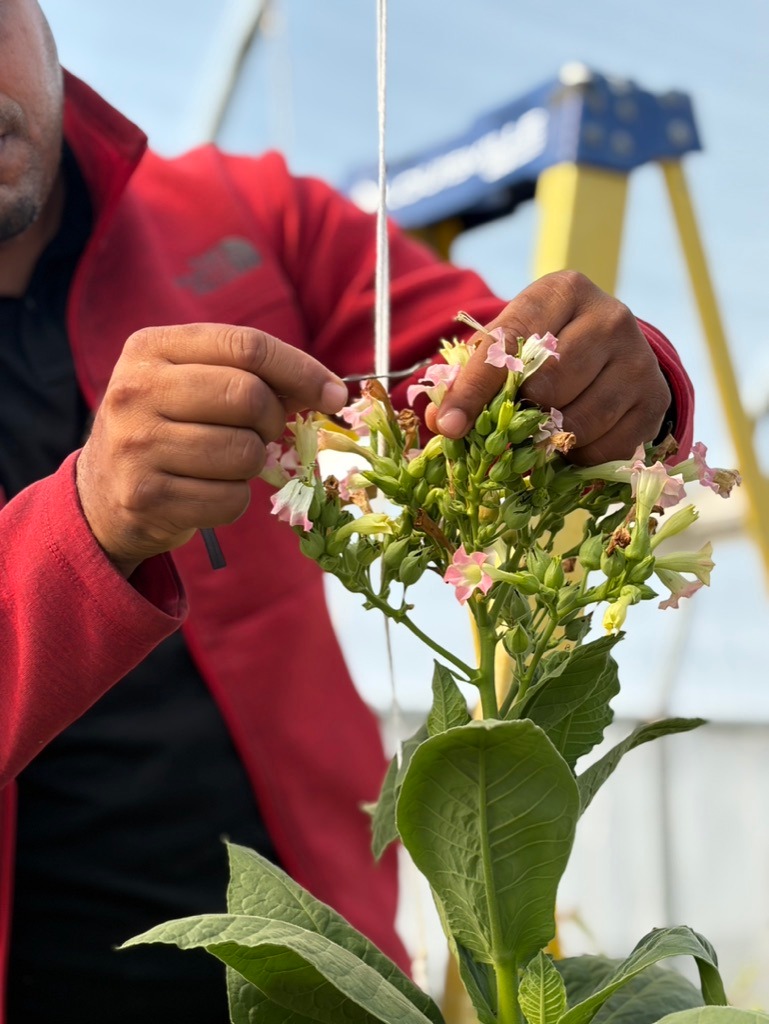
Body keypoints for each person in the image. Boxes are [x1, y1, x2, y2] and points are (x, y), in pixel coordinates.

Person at [0, 2, 694, 1021]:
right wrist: (84, 523)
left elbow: (484, 360)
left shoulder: (245, 215)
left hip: (333, 979)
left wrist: (624, 390)